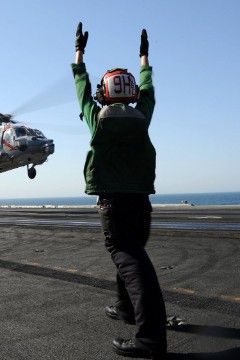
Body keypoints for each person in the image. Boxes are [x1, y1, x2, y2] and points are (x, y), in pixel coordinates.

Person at [71, 22, 167, 359]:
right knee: (129, 258)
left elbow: (81, 88)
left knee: (131, 262)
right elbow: (149, 89)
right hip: (141, 204)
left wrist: (79, 53)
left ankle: (152, 341)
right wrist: (144, 58)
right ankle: (125, 309)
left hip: (112, 202)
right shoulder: (143, 115)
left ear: (105, 93)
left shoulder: (98, 119)